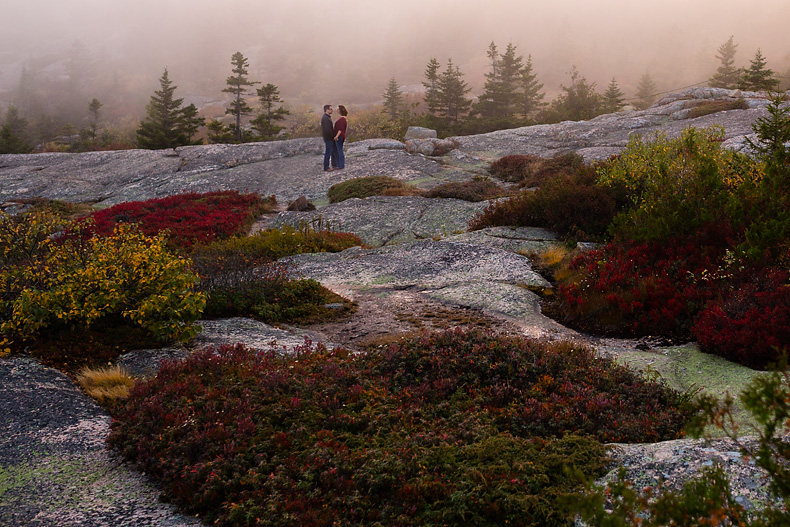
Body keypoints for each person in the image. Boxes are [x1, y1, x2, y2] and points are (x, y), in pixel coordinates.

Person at [321, 104, 336, 171]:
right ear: (327, 110)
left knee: (332, 152)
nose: (332, 110)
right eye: (330, 109)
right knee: (328, 152)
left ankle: (334, 165)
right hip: (328, 138)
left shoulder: (327, 117)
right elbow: (328, 130)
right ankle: (326, 167)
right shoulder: (325, 118)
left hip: (329, 138)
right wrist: (333, 137)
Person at [333, 105, 348, 169]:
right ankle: (339, 164)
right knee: (338, 150)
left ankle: (341, 165)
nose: (337, 110)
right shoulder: (341, 118)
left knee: (340, 151)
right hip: (339, 136)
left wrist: (336, 136)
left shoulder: (342, 119)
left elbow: (340, 129)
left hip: (339, 137)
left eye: (338, 109)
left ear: (340, 110)